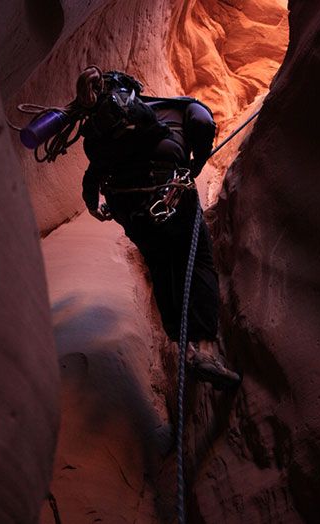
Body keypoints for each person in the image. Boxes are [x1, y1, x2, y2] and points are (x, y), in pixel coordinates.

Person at [78, 66, 240, 389]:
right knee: (197, 262)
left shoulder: (101, 133)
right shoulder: (175, 105)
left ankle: (182, 345)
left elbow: (90, 183)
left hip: (132, 211)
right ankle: (204, 349)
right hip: (170, 190)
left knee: (160, 265)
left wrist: (97, 210)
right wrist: (193, 167)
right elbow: (204, 123)